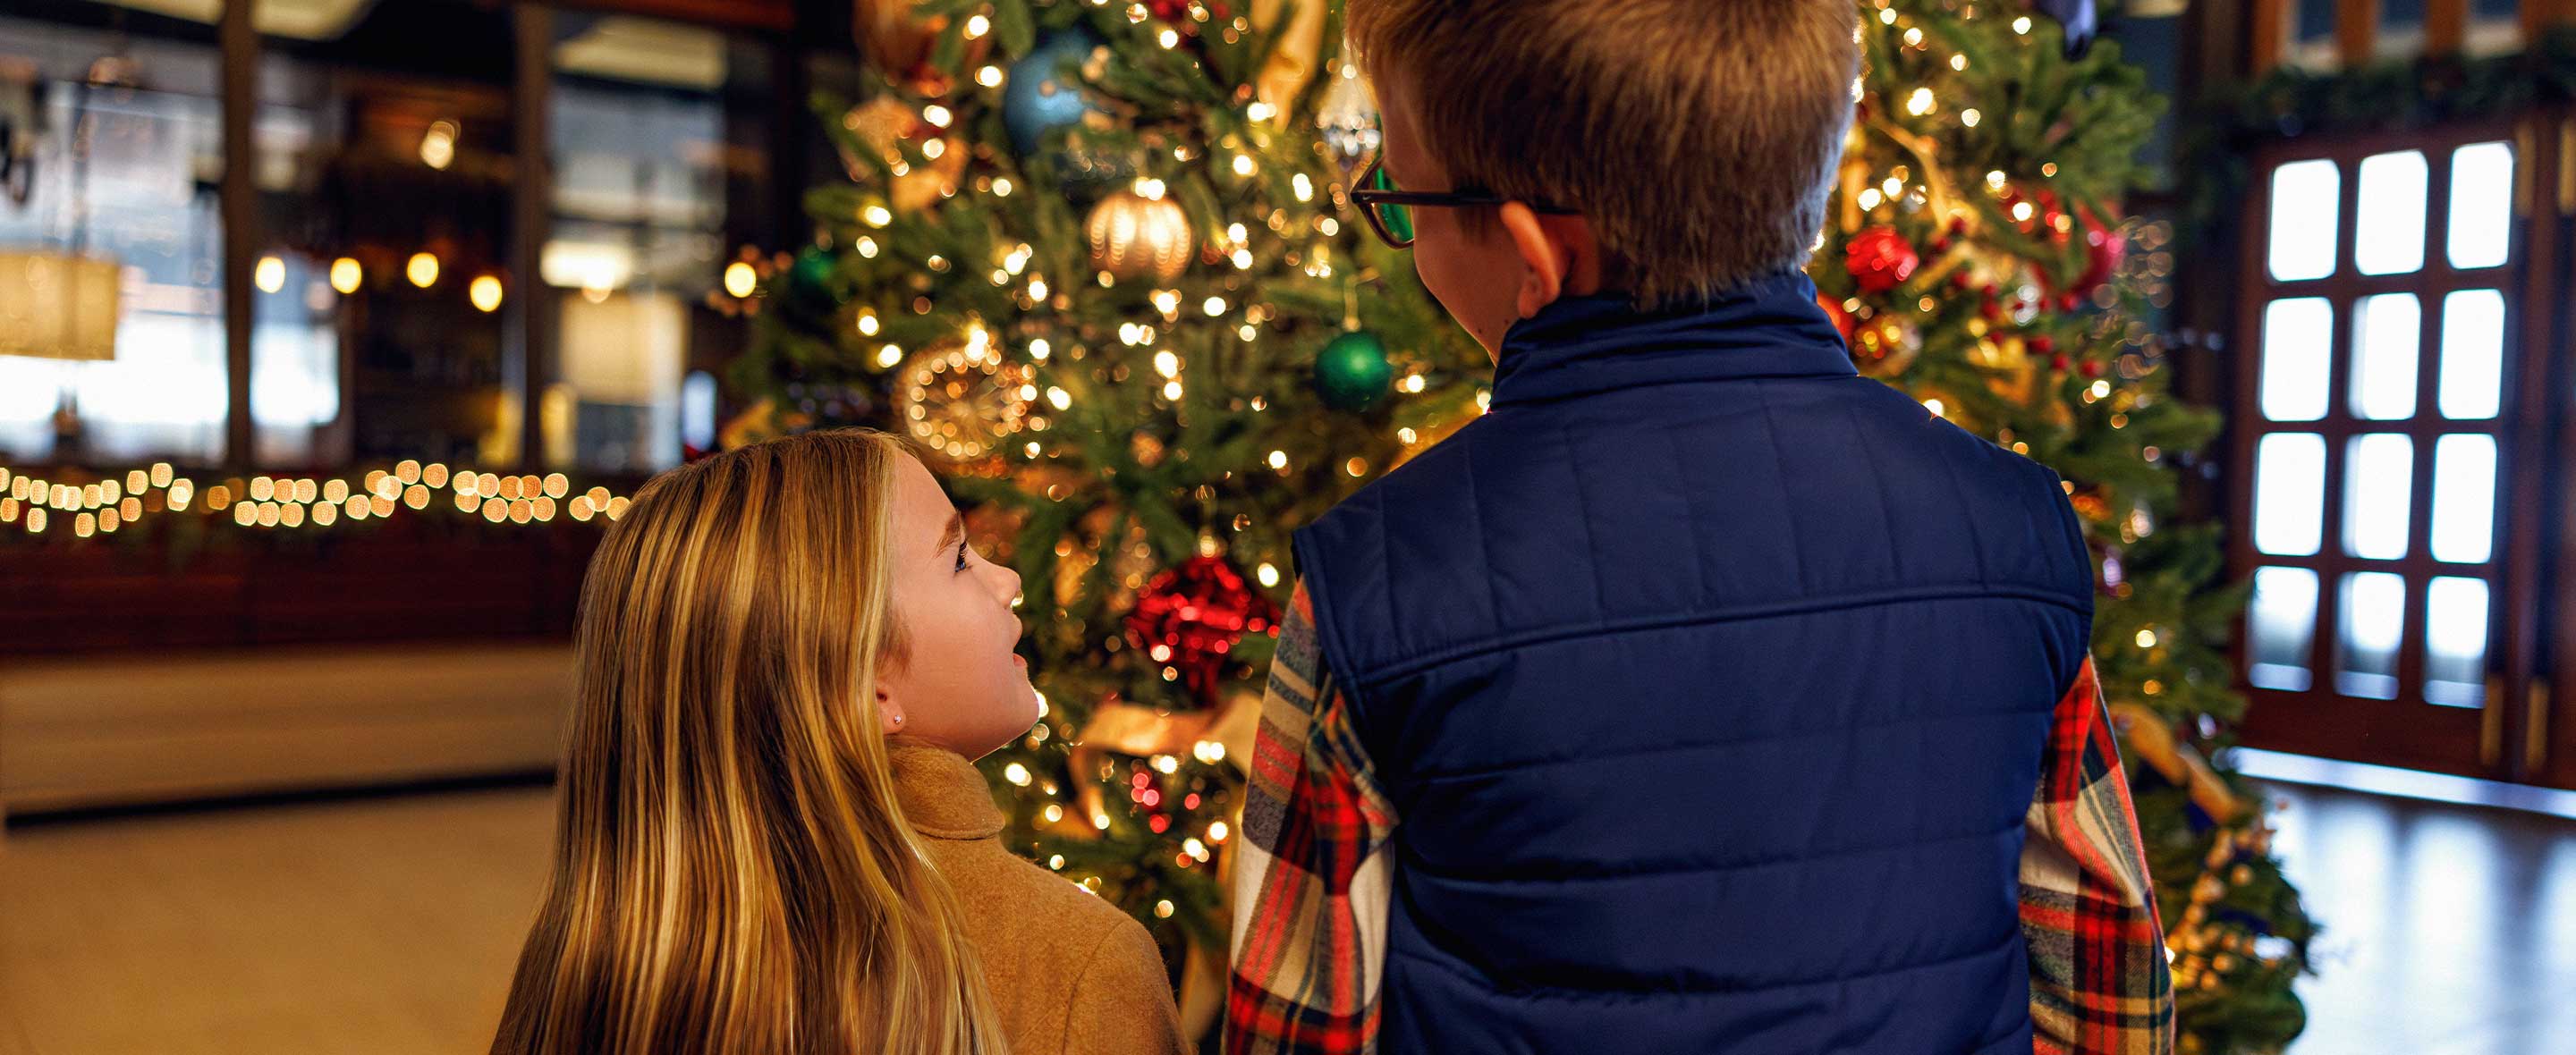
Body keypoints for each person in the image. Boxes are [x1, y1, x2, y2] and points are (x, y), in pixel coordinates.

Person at [1226, 2, 2174, 1052]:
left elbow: (1297, 1021)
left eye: (1401, 200)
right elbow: (2107, 981)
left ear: (1537, 252)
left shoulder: (1380, 580)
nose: (1397, 226)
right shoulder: (2012, 523)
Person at [491, 429, 1188, 1055]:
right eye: (960, 558)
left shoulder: (590, 956)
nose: (1007, 581)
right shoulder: (1077, 963)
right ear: (864, 678)